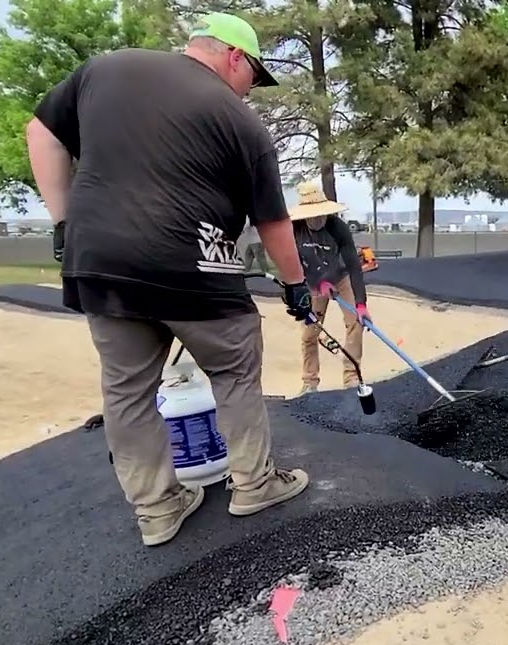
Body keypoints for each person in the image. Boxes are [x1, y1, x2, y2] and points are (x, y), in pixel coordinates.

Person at [26, 12, 316, 548]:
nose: (252, 89)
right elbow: (274, 221)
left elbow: (40, 131)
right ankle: (254, 484)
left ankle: (157, 510)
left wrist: (63, 220)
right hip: (194, 265)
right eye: (255, 74)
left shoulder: (106, 69)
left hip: (101, 263)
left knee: (128, 389)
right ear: (234, 57)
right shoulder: (241, 122)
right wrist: (296, 285)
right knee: (233, 367)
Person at [289, 181, 371, 396]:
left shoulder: (338, 228)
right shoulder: (295, 230)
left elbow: (354, 266)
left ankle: (351, 377)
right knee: (309, 333)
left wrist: (361, 305)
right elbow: (293, 264)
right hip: (313, 281)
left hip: (341, 276)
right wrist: (317, 283)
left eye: (320, 215)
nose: (317, 220)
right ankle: (310, 381)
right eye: (312, 216)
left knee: (355, 322)